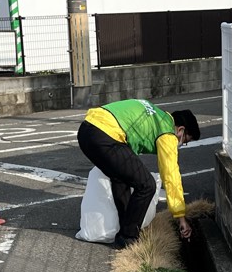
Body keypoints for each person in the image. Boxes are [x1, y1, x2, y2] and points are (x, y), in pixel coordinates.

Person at [77, 99, 200, 248]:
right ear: (180, 130)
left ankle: (125, 229)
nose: (181, 144)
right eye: (185, 140)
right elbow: (171, 175)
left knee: (121, 178)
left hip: (86, 131)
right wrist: (180, 216)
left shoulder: (157, 115)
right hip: (105, 135)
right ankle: (128, 237)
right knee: (147, 185)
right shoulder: (167, 132)